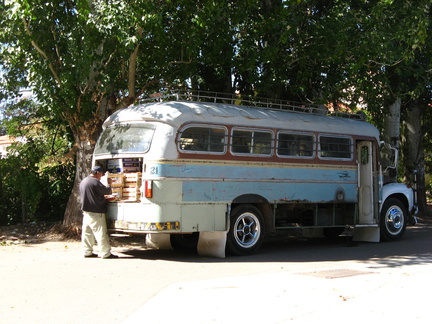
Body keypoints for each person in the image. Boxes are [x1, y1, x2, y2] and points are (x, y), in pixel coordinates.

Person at [79, 165, 118, 259]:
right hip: (96, 212)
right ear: (97, 173)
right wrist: (109, 184)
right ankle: (105, 253)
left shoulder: (84, 181)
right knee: (100, 233)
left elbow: (92, 195)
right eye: (101, 174)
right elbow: (107, 191)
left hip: (86, 211)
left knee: (87, 233)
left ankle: (87, 251)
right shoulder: (95, 182)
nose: (101, 176)